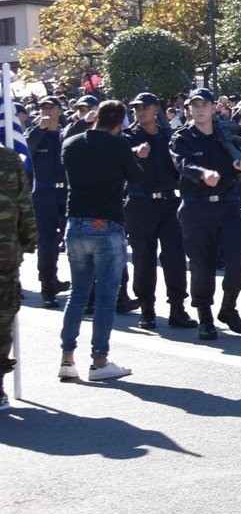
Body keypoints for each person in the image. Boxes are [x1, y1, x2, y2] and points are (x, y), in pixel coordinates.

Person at [58, 99, 144, 382]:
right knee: (106, 299)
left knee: (78, 296)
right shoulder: (119, 145)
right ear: (119, 125)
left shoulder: (70, 144)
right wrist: (132, 156)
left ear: (95, 118)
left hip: (76, 223)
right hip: (106, 224)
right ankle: (99, 361)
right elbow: (137, 178)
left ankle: (67, 358)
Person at [170, 87, 241, 340]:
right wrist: (202, 174)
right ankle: (205, 317)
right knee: (202, 264)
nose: (199, 109)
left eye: (204, 104)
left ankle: (228, 307)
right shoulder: (182, 137)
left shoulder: (227, 133)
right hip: (197, 206)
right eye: (194, 105)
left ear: (213, 107)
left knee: (239, 258)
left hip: (228, 204)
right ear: (188, 110)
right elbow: (181, 164)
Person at [120, 92, 193, 331]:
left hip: (169, 203)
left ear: (156, 110)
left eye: (144, 107)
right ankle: (147, 309)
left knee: (174, 257)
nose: (139, 112)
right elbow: (117, 158)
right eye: (136, 108)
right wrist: (134, 153)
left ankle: (177, 308)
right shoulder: (127, 137)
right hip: (140, 203)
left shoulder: (169, 137)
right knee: (143, 257)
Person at [0, 135, 33, 408]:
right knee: (1, 319)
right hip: (5, 252)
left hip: (6, 254)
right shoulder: (9, 159)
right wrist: (29, 239)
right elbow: (25, 205)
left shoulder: (10, 158)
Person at [27, 99, 68, 307]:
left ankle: (57, 279)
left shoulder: (66, 133)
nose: (46, 111)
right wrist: (38, 129)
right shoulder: (36, 134)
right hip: (44, 191)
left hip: (67, 191)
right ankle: (47, 286)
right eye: (43, 108)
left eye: (51, 108)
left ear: (59, 111)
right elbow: (24, 150)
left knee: (69, 239)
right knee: (47, 240)